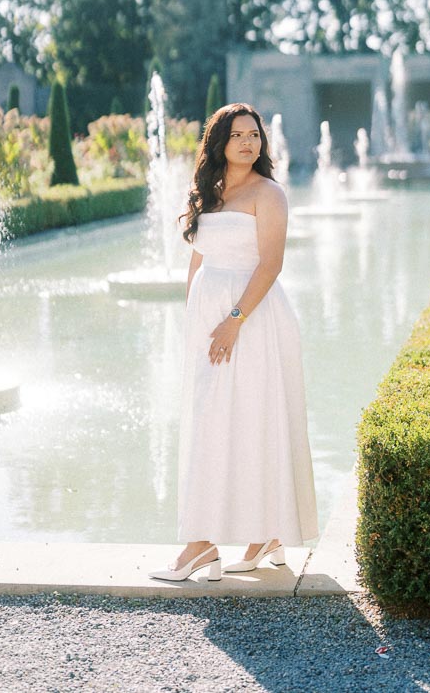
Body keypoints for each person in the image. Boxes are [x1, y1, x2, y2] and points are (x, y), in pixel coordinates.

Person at [150, 102, 318, 582]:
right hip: (210, 318)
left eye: (254, 134)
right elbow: (198, 258)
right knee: (211, 421)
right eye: (238, 134)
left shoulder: (270, 193)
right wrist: (193, 316)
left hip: (255, 318)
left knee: (254, 420)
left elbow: (271, 264)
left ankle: (204, 546)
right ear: (219, 141)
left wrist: (234, 320)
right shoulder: (208, 191)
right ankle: (253, 535)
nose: (248, 142)